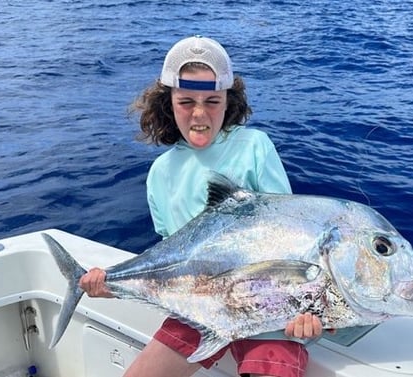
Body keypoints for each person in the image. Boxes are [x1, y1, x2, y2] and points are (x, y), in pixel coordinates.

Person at [80, 35, 323, 377]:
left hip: (266, 312)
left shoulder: (254, 146)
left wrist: (307, 313)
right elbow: (168, 261)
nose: (199, 113)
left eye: (212, 100)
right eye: (186, 101)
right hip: (198, 309)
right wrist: (112, 287)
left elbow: (290, 238)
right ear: (168, 103)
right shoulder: (160, 173)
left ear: (229, 101)